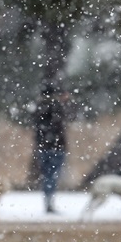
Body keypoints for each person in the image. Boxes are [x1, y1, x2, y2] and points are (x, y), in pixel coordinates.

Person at [33, 83, 68, 213]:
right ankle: (49, 202)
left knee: (47, 176)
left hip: (43, 147)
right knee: (52, 175)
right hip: (56, 147)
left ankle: (47, 200)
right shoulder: (56, 106)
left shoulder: (38, 107)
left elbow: (38, 127)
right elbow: (58, 125)